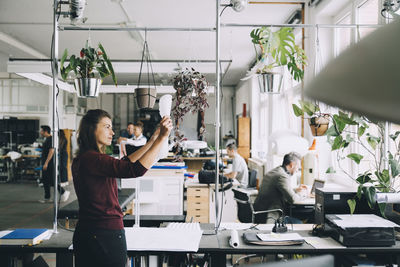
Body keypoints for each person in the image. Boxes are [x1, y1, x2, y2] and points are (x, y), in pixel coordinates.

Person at [71, 109, 172, 267]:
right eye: (106, 127)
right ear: (91, 129)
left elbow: (124, 163)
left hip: (90, 233)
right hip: (103, 235)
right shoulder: (93, 159)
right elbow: (134, 170)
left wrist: (152, 141)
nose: (112, 132)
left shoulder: (86, 158)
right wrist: (162, 138)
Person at [253, 152, 307, 224]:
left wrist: (295, 190)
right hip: (271, 216)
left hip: (260, 214)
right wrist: (303, 194)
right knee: (299, 223)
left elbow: (278, 189)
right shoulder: (282, 176)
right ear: (291, 165)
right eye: (298, 167)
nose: (297, 170)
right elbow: (293, 199)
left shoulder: (276, 171)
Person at [39, 125, 70, 203]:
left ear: (45, 131)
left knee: (51, 180)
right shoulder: (48, 139)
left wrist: (46, 163)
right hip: (47, 162)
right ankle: (47, 197)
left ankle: (63, 192)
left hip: (49, 163)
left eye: (41, 130)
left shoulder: (51, 139)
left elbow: (51, 151)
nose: (40, 132)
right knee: (46, 180)